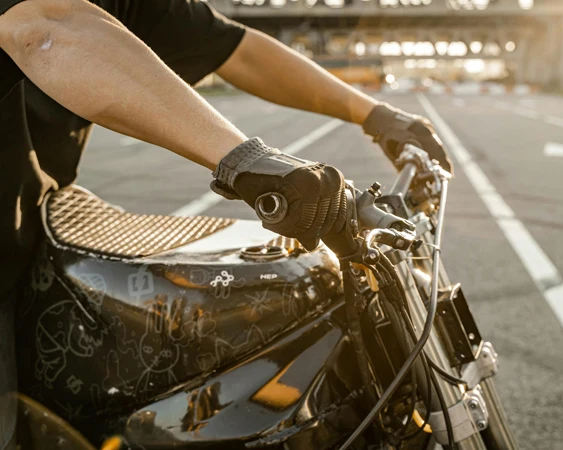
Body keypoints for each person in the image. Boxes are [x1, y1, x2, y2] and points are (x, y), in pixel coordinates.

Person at [0, 1, 452, 448]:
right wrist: (248, 162)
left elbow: (236, 49)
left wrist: (377, 116)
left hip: (34, 221)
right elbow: (42, 29)